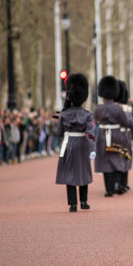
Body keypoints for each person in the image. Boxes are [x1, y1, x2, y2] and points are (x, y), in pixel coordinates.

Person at [55, 73, 95, 212]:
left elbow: (59, 132)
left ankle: (72, 204)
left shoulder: (64, 114)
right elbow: (90, 133)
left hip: (68, 143)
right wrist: (92, 149)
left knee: (69, 173)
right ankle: (83, 201)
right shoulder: (87, 114)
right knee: (83, 172)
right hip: (82, 143)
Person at [94, 75, 133, 197]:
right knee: (117, 157)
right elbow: (125, 121)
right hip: (116, 134)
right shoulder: (118, 108)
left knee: (105, 161)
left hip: (102, 134)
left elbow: (96, 120)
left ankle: (109, 189)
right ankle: (117, 183)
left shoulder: (98, 108)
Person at [115, 80, 133, 194]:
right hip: (125, 136)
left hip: (112, 135)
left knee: (116, 159)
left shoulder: (109, 107)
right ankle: (122, 183)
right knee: (125, 158)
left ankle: (116, 183)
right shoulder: (127, 109)